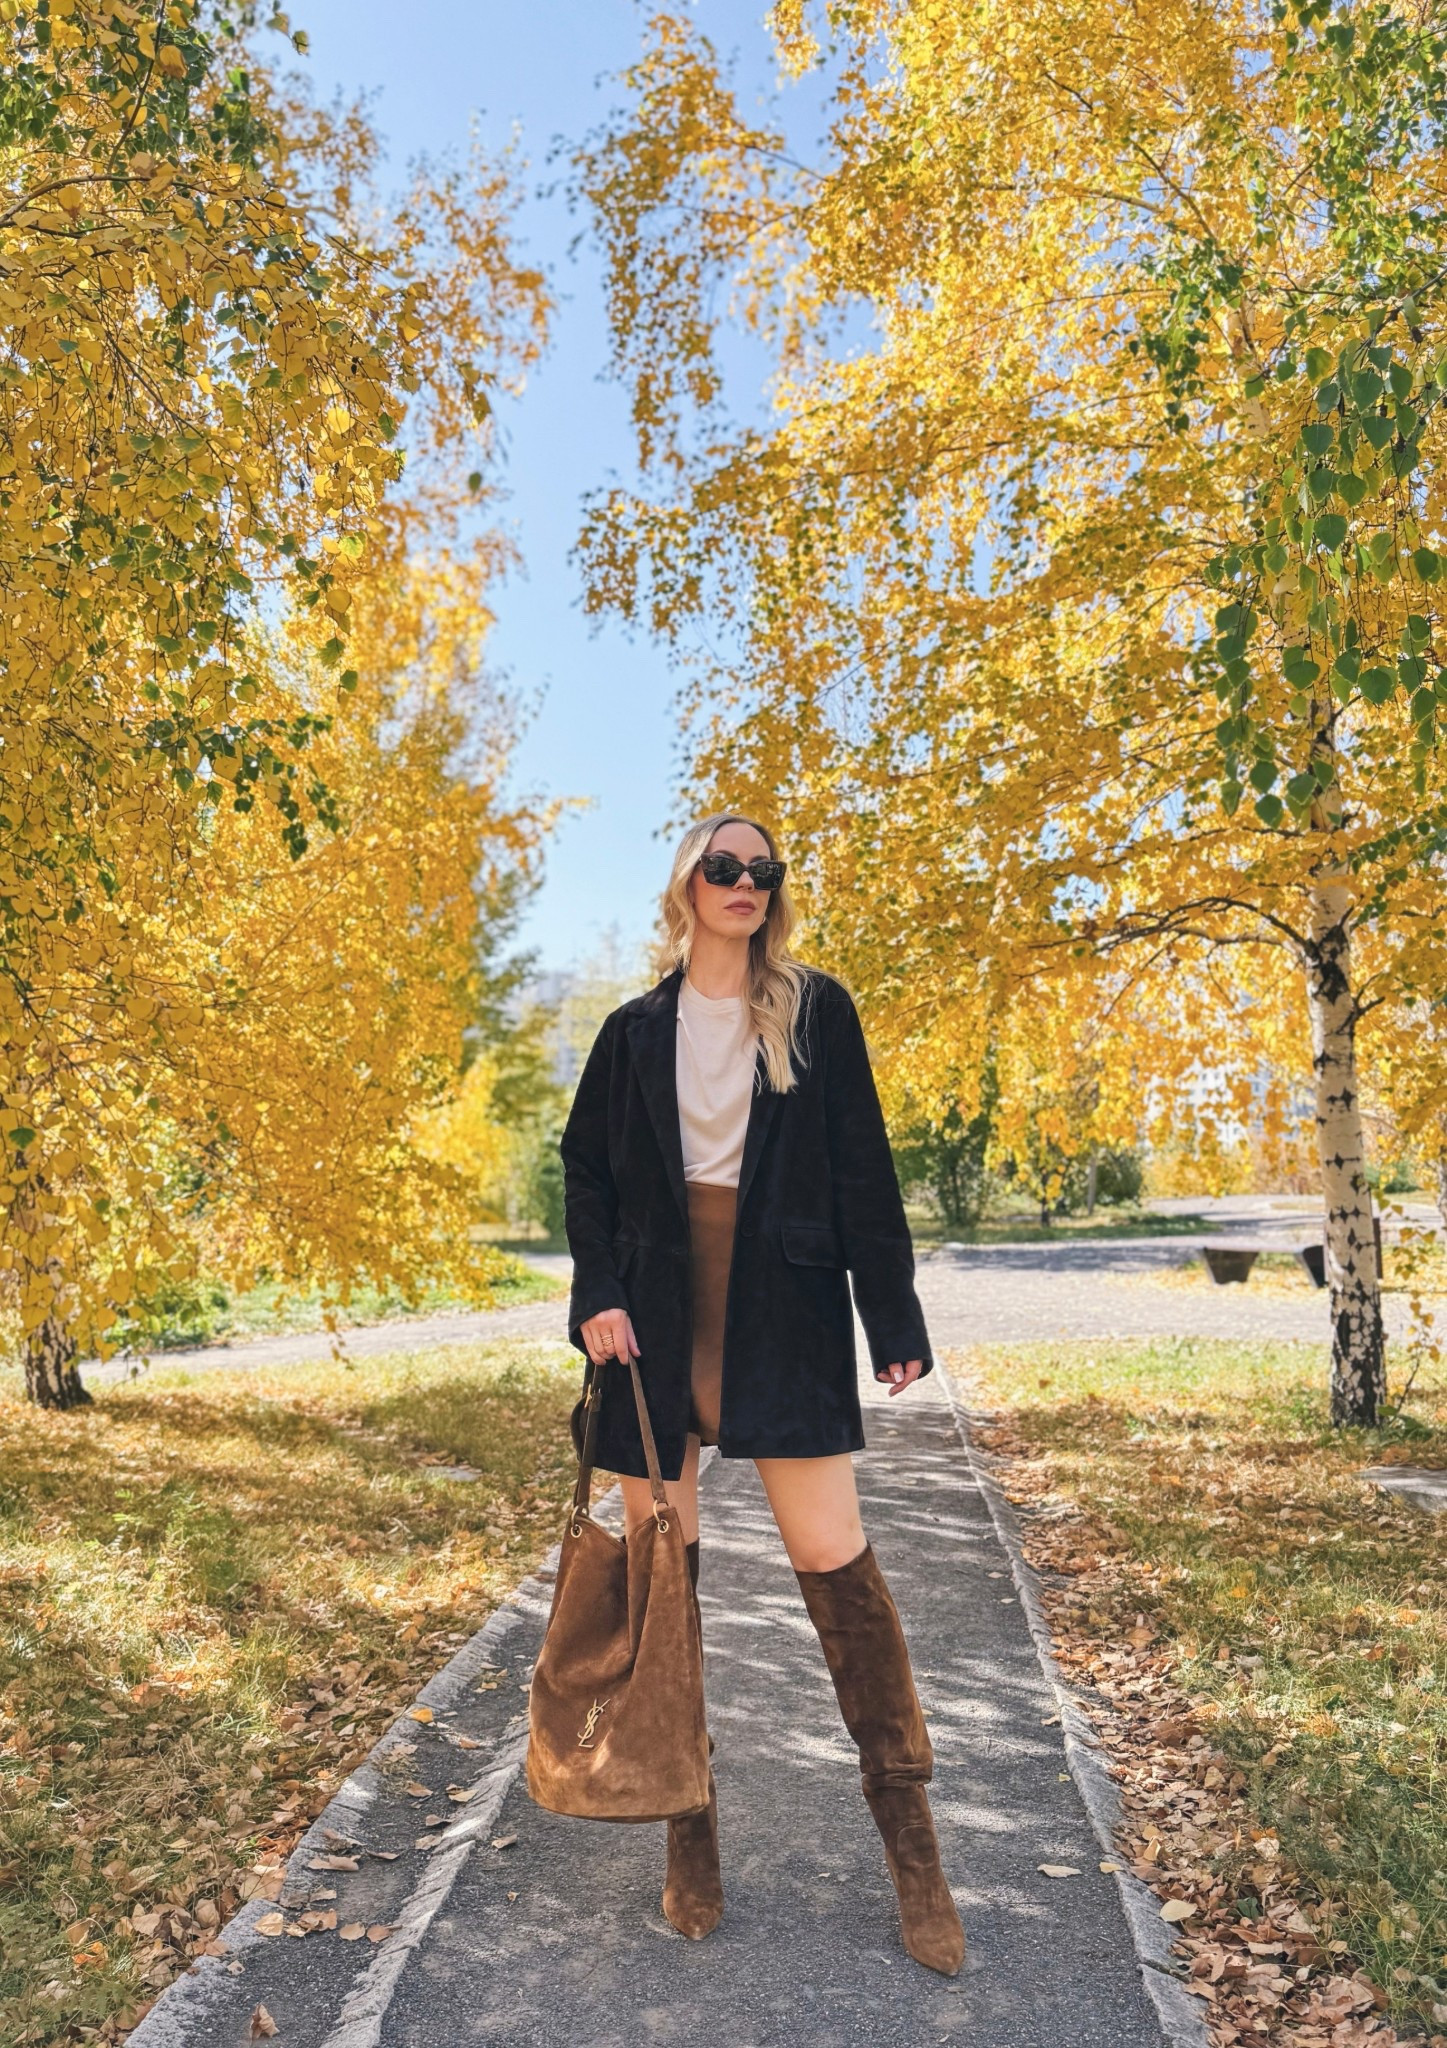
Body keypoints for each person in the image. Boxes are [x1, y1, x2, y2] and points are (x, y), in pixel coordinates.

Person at [559, 811, 964, 1976]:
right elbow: (583, 1168)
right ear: (687, 882)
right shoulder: (634, 1029)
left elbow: (862, 1162)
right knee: (660, 1583)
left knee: (838, 1565)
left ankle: (915, 1855)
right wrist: (595, 1289)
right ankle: (690, 1834)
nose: (744, 882)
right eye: (722, 865)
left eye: (762, 870)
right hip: (651, 1317)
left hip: (780, 1309)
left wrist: (890, 1315)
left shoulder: (814, 1008)